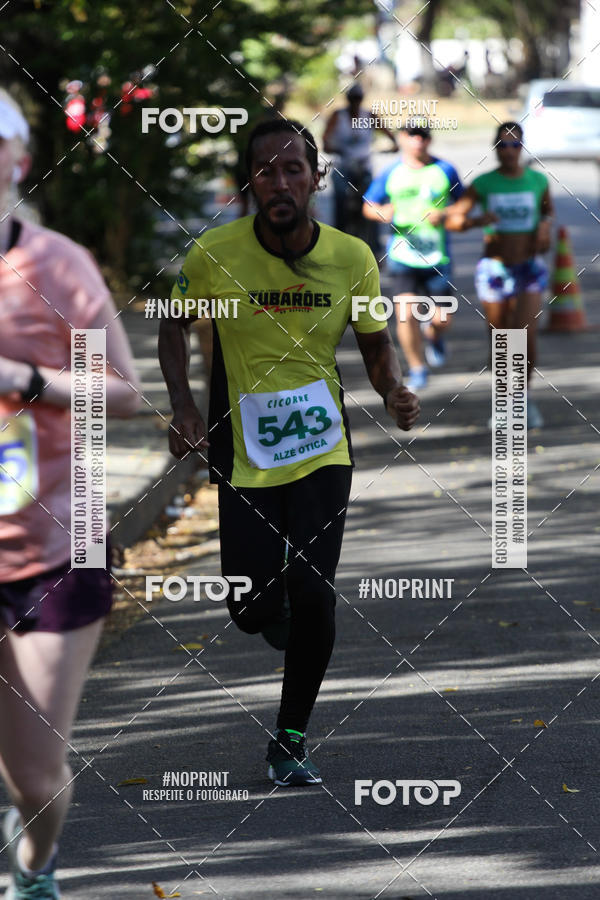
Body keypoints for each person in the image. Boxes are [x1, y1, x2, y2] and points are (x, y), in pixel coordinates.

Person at [158, 118, 419, 787]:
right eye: (266, 171)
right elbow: (171, 324)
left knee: (313, 589)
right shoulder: (213, 253)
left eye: (293, 170)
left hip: (322, 449)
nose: (280, 183)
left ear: (315, 178)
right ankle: (272, 616)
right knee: (248, 606)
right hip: (243, 449)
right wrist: (184, 405)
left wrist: (392, 391)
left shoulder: (351, 258)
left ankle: (290, 737)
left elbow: (374, 346)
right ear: (249, 182)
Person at [0, 89, 140, 898]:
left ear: (16, 160)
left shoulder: (57, 265)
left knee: (35, 774)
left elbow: (121, 389)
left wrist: (23, 379)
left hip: (58, 542)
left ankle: (35, 869)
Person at [444, 121, 553, 428]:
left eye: (515, 145)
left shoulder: (537, 181)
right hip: (494, 268)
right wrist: (477, 221)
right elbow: (453, 220)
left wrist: (544, 226)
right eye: (503, 145)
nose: (509, 151)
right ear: (495, 148)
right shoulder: (483, 184)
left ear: (522, 148)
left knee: (526, 337)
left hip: (529, 269)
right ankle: (503, 402)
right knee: (501, 339)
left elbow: (547, 211)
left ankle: (524, 399)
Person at [362, 124, 463, 391]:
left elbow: (465, 203)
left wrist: (447, 215)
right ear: (403, 138)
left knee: (442, 319)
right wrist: (382, 212)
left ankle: (434, 335)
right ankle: (417, 368)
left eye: (424, 135)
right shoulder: (392, 172)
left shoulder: (445, 170)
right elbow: (368, 206)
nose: (418, 140)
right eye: (412, 135)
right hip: (403, 257)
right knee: (405, 315)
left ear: (430, 139)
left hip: (437, 257)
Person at [323, 83, 398, 251]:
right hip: (344, 164)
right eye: (353, 99)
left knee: (371, 203)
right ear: (348, 100)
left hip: (364, 165)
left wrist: (393, 145)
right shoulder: (338, 116)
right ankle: (338, 245)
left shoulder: (369, 115)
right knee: (341, 200)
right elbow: (325, 139)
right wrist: (332, 147)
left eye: (358, 99)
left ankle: (375, 248)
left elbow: (388, 134)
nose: (355, 103)